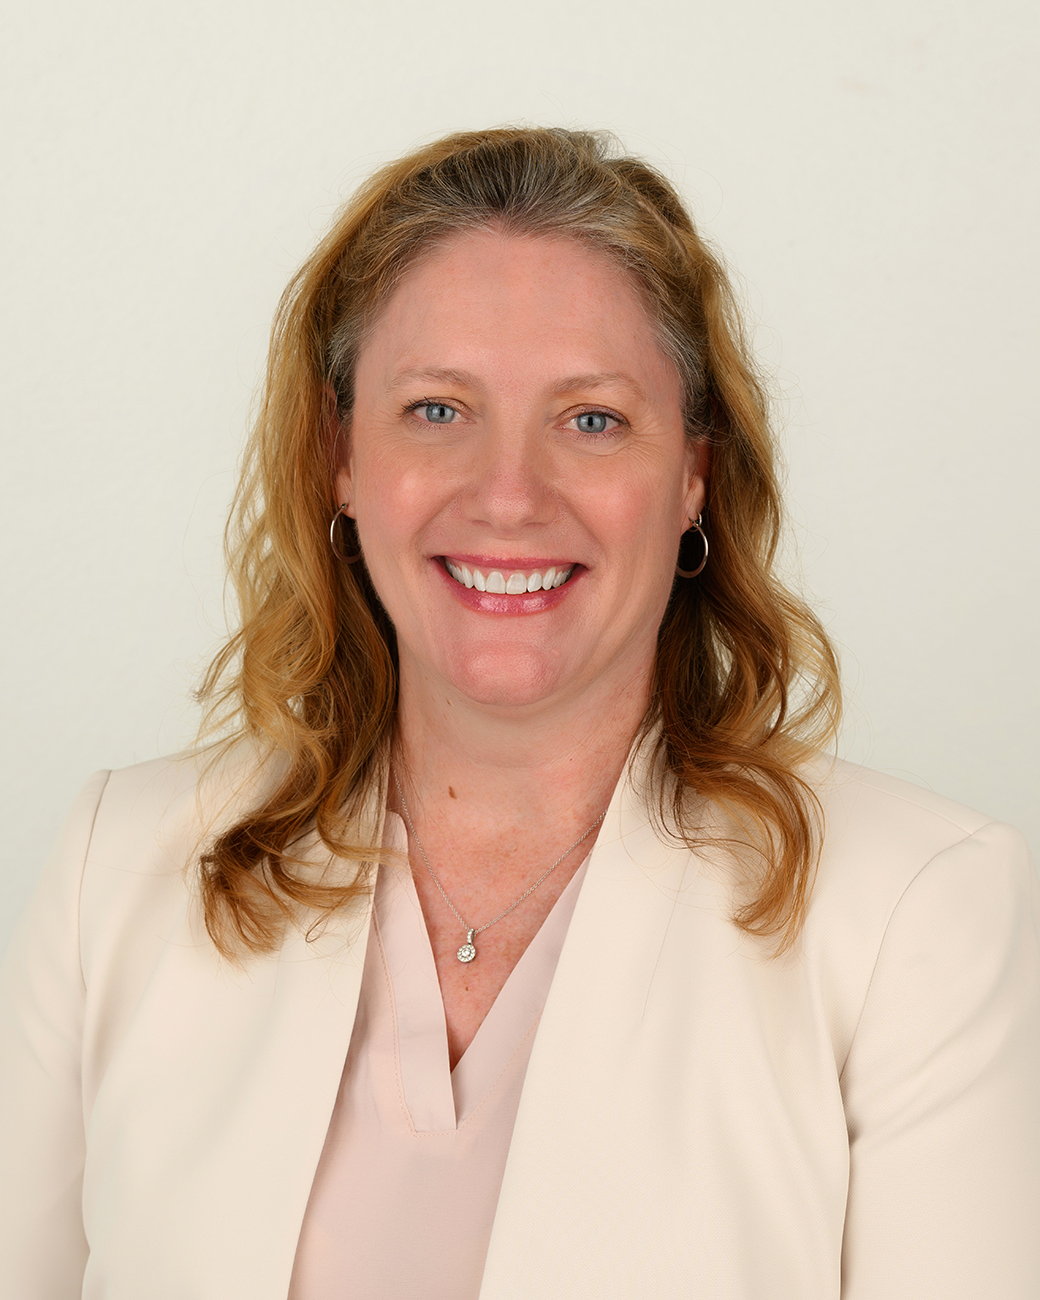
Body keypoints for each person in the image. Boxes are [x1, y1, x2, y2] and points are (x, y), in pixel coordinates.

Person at [1, 127, 1038, 1300]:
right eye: (437, 410)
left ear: (692, 472)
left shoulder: (911, 914)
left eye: (589, 418)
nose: (506, 495)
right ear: (340, 456)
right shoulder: (118, 871)